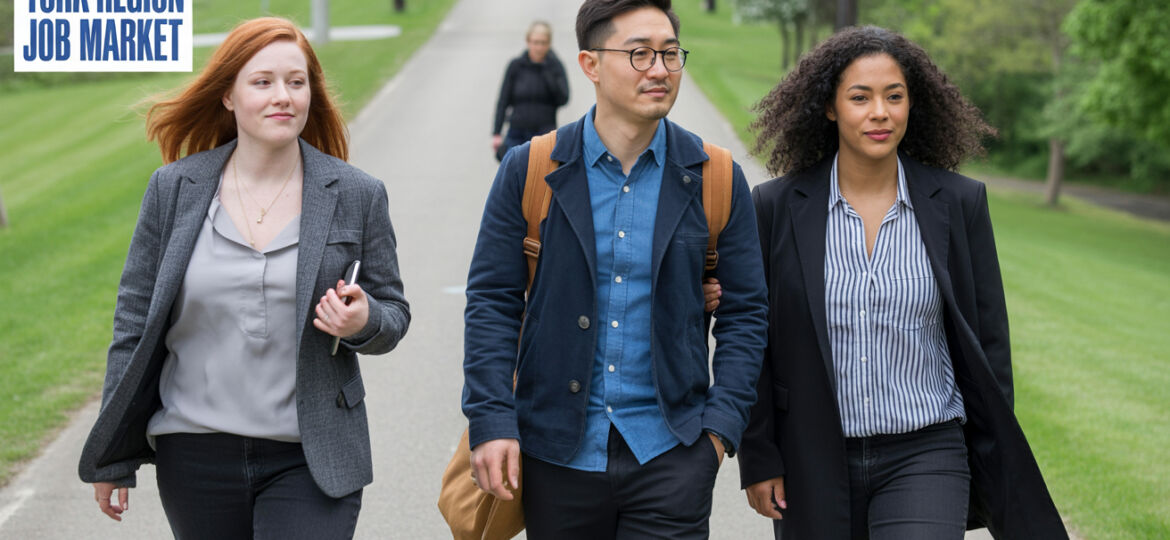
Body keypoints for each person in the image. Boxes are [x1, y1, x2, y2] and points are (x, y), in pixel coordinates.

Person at [76, 17, 410, 539]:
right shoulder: (174, 189)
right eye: (263, 82)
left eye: (296, 83)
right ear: (228, 95)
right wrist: (109, 454)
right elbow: (134, 324)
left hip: (311, 456)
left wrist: (364, 320)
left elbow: (393, 312)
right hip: (195, 453)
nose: (284, 97)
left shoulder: (356, 193)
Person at [736, 25, 1067, 539]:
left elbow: (989, 343)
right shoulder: (776, 208)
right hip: (811, 453)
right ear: (829, 107)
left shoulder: (959, 204)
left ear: (914, 104)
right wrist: (759, 456)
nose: (880, 113)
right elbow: (754, 341)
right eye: (860, 97)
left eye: (895, 96)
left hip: (926, 451)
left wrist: (993, 451)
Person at [461, 1, 768, 538]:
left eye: (671, 54)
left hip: (673, 453)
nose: (659, 70)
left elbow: (746, 314)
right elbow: (492, 303)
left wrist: (718, 433)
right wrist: (490, 421)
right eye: (640, 54)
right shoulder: (529, 169)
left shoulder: (716, 177)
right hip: (555, 453)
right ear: (590, 64)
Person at [492, 20, 571, 161]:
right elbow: (503, 100)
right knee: (513, 175)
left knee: (540, 176)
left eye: (543, 43)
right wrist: (496, 133)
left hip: (544, 133)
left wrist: (547, 73)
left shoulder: (555, 66)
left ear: (549, 44)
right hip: (517, 132)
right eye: (535, 42)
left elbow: (563, 98)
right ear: (528, 42)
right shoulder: (515, 66)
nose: (539, 47)